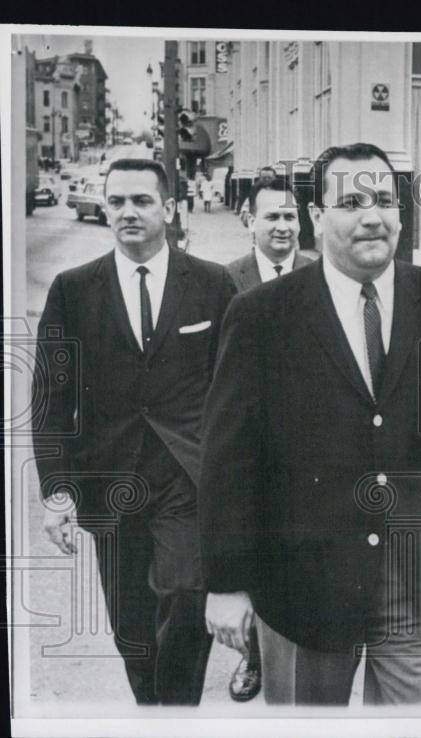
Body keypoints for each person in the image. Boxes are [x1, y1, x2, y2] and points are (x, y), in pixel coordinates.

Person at [198, 142, 421, 706]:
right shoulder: (261, 316)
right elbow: (229, 457)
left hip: (416, 576)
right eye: (351, 201)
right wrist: (226, 580)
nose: (372, 215)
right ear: (317, 218)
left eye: (385, 200)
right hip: (302, 583)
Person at [32, 158, 236, 704]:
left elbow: (235, 392)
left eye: (141, 200)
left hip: (186, 479)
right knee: (131, 625)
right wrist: (56, 491)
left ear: (169, 209)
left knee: (187, 594)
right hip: (110, 480)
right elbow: (52, 396)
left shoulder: (213, 285)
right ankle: (153, 707)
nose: (127, 212)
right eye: (116, 201)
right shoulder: (73, 290)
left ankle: (174, 712)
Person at [221, 175, 314, 702]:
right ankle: (253, 659)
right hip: (251, 446)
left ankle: (297, 659)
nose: (281, 225)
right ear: (248, 221)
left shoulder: (324, 274)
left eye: (289, 215)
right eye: (271, 216)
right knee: (251, 556)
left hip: (309, 448)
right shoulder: (224, 280)